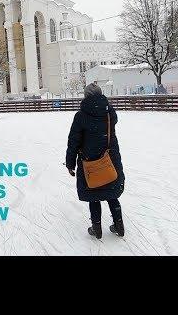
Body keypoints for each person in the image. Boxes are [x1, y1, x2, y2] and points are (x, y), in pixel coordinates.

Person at [66, 83, 125, 240]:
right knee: (112, 192)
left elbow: (73, 141)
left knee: (93, 194)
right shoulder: (109, 113)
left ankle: (96, 227)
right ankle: (119, 225)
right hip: (110, 158)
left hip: (89, 161)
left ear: (86, 96)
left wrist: (70, 163)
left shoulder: (81, 116)